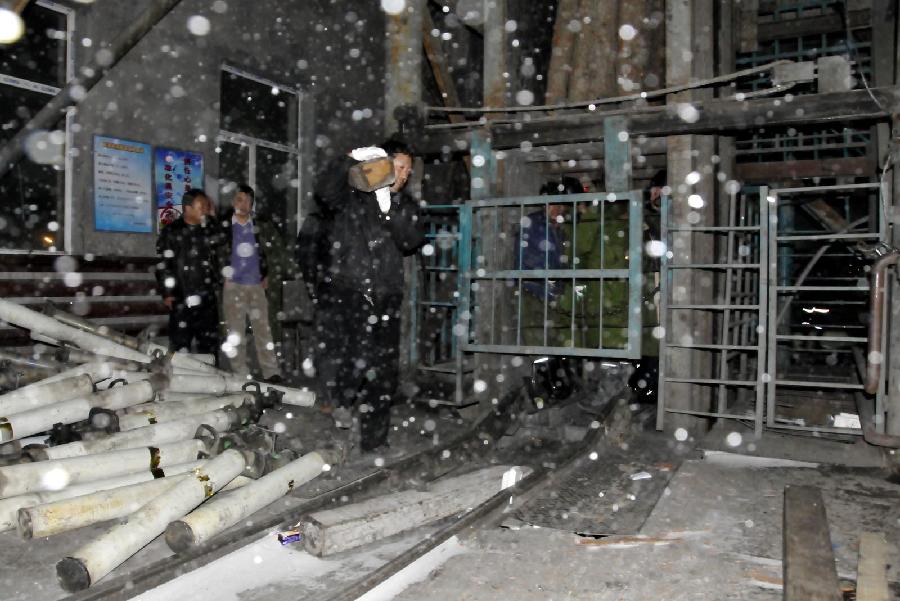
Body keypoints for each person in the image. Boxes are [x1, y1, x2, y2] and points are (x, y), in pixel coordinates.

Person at [313, 138, 425, 452]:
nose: (403, 175)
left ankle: (374, 441)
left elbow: (411, 240)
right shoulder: (352, 197)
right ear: (384, 164)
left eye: (407, 171)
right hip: (352, 291)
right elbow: (324, 190)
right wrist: (348, 157)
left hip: (387, 294)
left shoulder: (406, 205)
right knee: (355, 357)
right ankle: (342, 399)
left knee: (384, 370)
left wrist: (390, 210)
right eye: (399, 167)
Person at [217, 184, 283, 382]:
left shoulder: (261, 225)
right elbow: (212, 254)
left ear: (252, 203)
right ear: (232, 202)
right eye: (239, 199)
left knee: (264, 330)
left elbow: (275, 253)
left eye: (247, 200)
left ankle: (271, 372)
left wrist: (269, 274)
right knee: (235, 332)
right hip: (232, 285)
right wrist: (221, 275)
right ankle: (241, 374)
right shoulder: (222, 226)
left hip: (256, 284)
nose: (243, 204)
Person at [155, 189, 222, 359]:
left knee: (208, 345)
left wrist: (213, 217)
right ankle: (180, 380)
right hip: (181, 297)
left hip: (206, 298)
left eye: (207, 206)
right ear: (188, 208)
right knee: (179, 344)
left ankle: (209, 381)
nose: (206, 210)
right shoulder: (172, 231)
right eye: (202, 206)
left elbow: (224, 241)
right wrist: (167, 292)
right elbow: (164, 264)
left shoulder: (209, 229)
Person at [516, 181, 569, 346]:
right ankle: (541, 369)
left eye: (561, 204)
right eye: (554, 203)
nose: (558, 208)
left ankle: (548, 368)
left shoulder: (559, 228)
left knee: (553, 341)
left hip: (551, 292)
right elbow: (525, 258)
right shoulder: (532, 223)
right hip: (534, 291)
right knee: (538, 340)